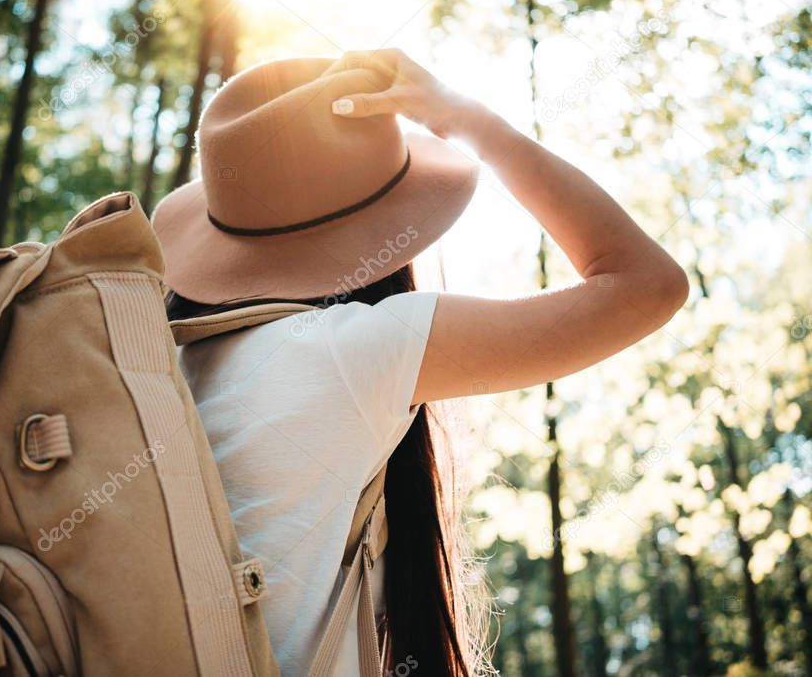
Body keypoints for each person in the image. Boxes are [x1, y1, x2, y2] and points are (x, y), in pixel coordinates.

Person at [152, 50, 688, 677]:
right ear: (390, 230)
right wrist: (465, 119)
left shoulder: (159, 361)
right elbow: (647, 284)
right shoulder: (356, 349)